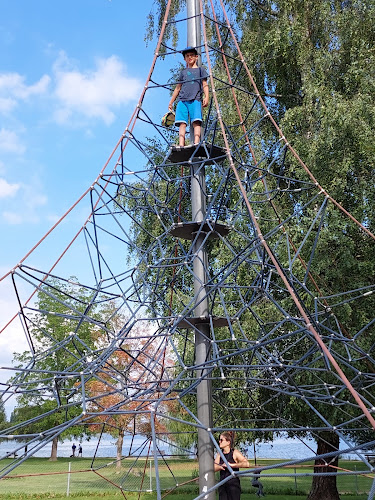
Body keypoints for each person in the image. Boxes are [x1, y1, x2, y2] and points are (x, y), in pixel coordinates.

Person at [168, 46, 209, 147]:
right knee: (182, 123)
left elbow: (204, 85)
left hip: (195, 99)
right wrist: (171, 101)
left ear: (196, 57)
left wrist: (207, 96)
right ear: (184, 59)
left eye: (191, 55)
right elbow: (178, 88)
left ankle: (196, 142)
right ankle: (181, 144)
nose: (189, 57)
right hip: (182, 100)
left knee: (196, 121)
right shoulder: (183, 72)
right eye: (187, 56)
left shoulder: (201, 71)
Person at [214, 431, 249, 500]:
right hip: (223, 485)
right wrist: (221, 467)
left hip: (233, 486)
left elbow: (246, 464)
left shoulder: (234, 452)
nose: (219, 442)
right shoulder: (219, 454)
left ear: (228, 442)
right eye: (219, 440)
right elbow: (214, 467)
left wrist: (232, 465)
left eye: (221, 440)